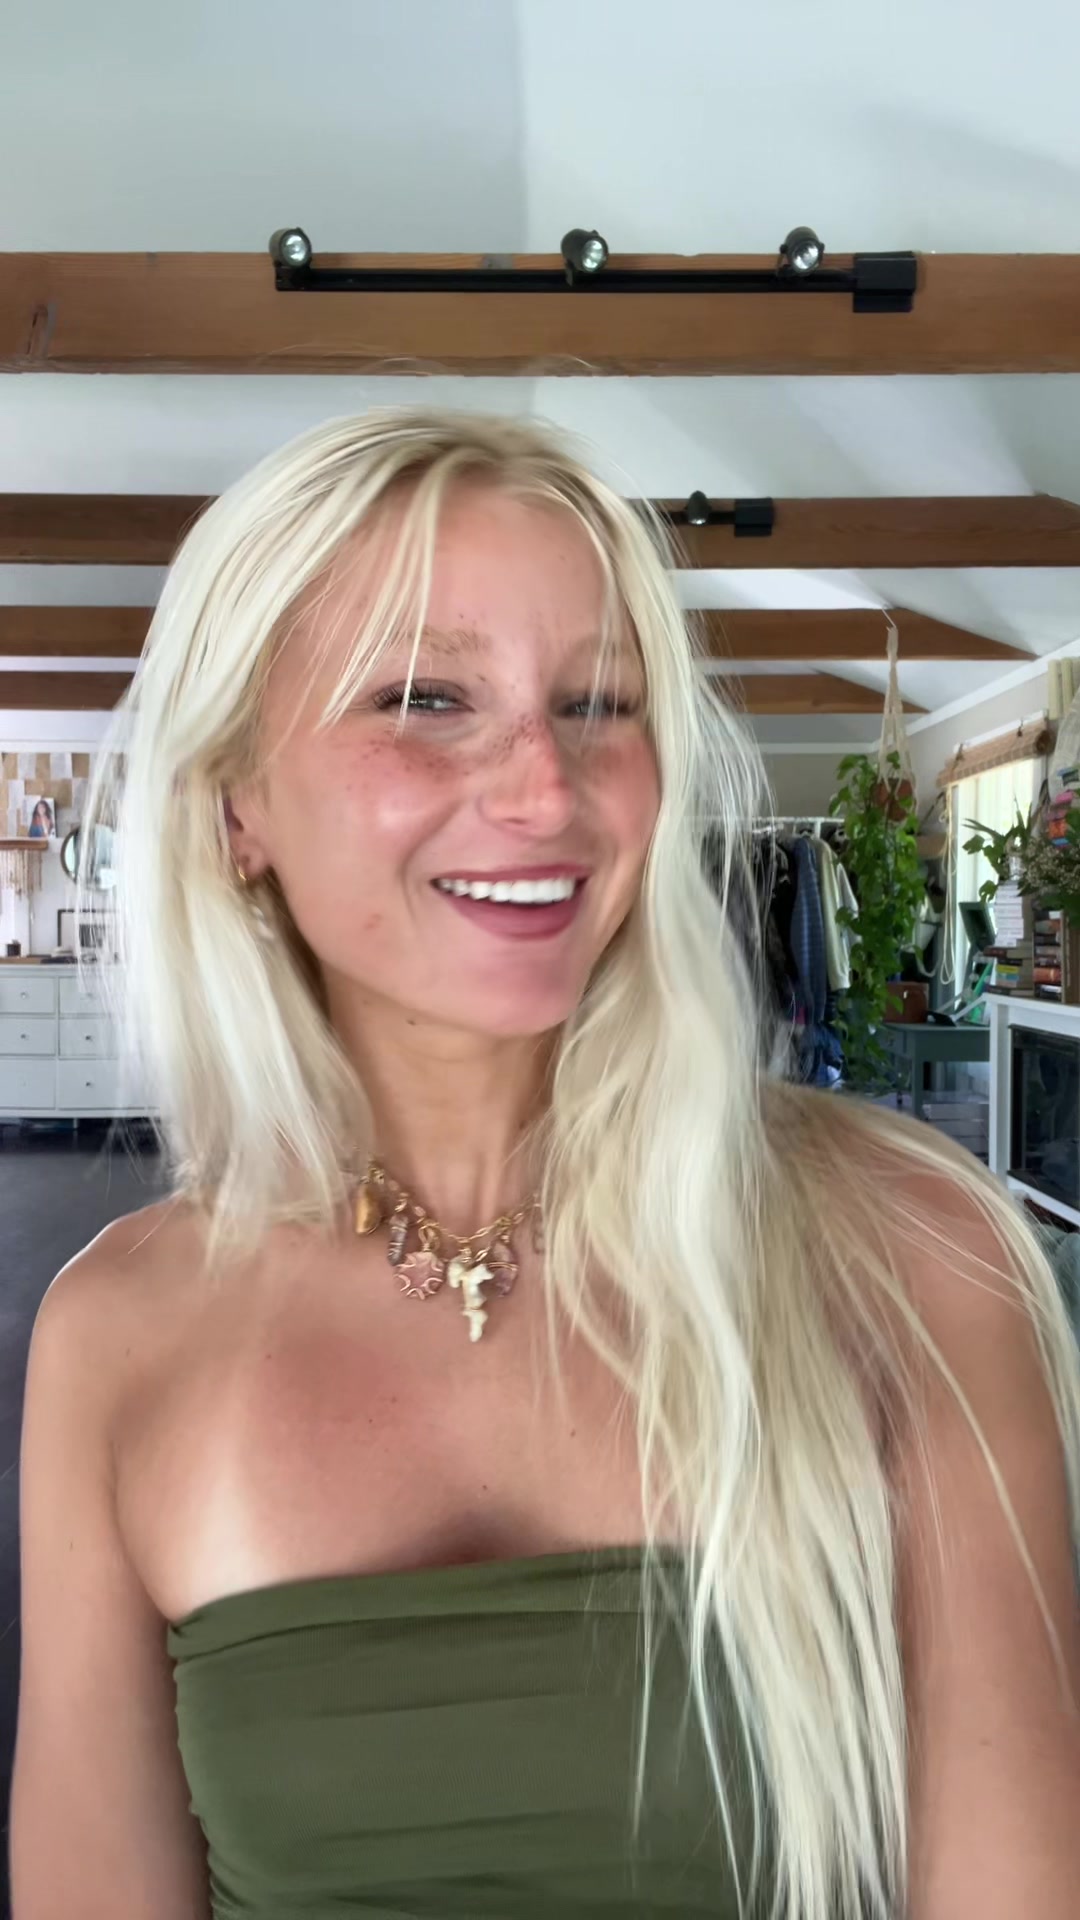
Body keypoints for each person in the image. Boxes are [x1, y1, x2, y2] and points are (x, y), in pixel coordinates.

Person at [11, 410, 1080, 1920]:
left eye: (599, 703)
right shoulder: (120, 1333)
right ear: (238, 800)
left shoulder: (911, 1251)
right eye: (425, 696)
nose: (544, 788)